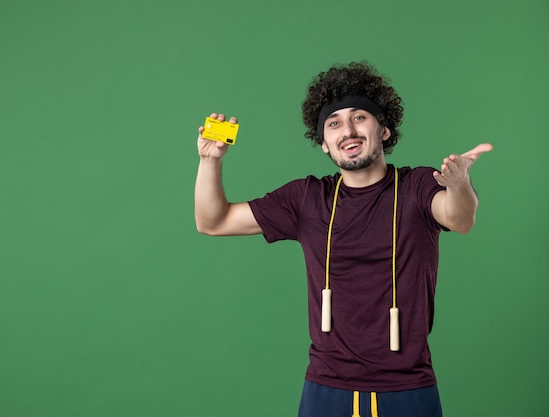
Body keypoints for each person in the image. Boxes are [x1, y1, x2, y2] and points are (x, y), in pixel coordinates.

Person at [194, 61, 492, 417]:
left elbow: (460, 219)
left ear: (383, 129)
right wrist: (209, 161)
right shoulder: (306, 198)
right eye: (334, 123)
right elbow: (213, 221)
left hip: (407, 388)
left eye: (360, 117)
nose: (347, 130)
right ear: (324, 143)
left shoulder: (418, 186)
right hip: (326, 385)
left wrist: (459, 186)